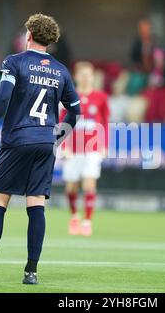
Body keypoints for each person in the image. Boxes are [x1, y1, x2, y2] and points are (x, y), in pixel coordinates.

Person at [0, 13, 81, 284]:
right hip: (45, 142)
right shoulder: (61, 71)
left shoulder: (14, 62)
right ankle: (31, 273)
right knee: (36, 204)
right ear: (50, 41)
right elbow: (75, 112)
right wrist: (56, 139)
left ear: (29, 34)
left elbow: (3, 97)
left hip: (17, 139)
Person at [60, 62, 109, 236]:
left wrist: (104, 144)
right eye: (83, 74)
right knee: (71, 187)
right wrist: (63, 144)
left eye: (90, 74)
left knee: (89, 185)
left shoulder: (101, 97)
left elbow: (104, 122)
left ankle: (87, 221)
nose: (87, 77)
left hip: (92, 149)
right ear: (77, 76)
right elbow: (62, 121)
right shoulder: (69, 96)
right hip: (73, 149)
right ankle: (74, 216)